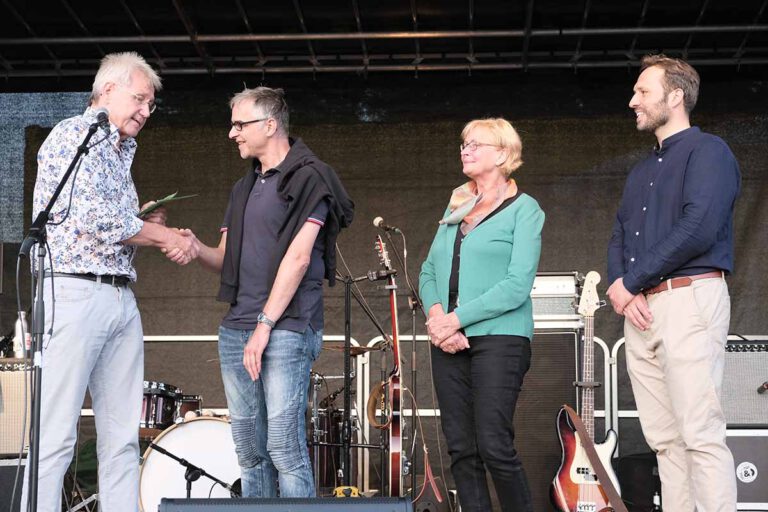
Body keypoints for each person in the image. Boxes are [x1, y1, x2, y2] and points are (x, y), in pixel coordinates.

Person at [22, 52, 199, 512]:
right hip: (75, 293)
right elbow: (97, 219)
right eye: (140, 98)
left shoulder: (120, 152)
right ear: (107, 91)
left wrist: (145, 224)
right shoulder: (75, 135)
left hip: (119, 295)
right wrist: (161, 235)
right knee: (56, 435)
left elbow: (108, 227)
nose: (145, 110)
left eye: (150, 104)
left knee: (122, 437)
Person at [182, 86, 354, 497]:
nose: (232, 133)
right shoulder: (242, 188)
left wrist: (264, 326)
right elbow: (226, 259)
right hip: (238, 328)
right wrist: (195, 249)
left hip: (287, 327)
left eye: (240, 124)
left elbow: (297, 260)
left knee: (282, 444)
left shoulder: (311, 177)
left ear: (270, 124)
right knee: (249, 449)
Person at [606, 54, 740, 511]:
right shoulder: (640, 171)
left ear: (676, 95)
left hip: (690, 299)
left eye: (643, 91)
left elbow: (699, 226)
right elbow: (621, 233)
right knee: (665, 442)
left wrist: (633, 282)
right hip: (641, 310)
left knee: (699, 434)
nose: (633, 101)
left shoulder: (710, 152)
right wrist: (620, 290)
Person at [419, 118, 544, 511]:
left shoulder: (525, 209)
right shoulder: (456, 206)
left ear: (503, 154)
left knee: (493, 445)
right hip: (448, 340)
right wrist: (439, 318)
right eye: (463, 143)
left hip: (501, 338)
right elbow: (428, 271)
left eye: (476, 144)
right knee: (461, 449)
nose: (465, 149)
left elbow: (517, 284)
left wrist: (456, 320)